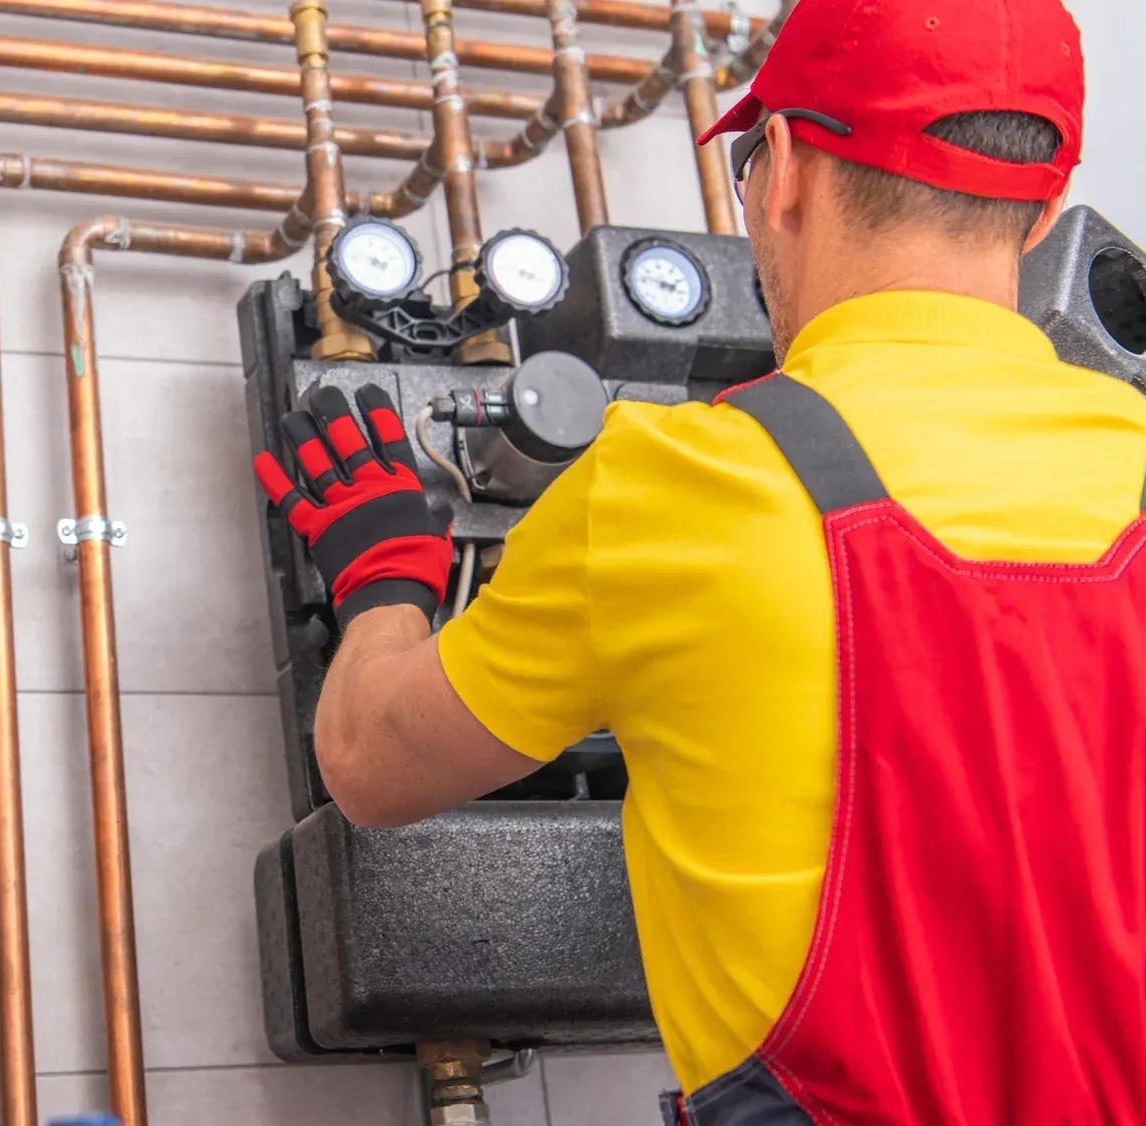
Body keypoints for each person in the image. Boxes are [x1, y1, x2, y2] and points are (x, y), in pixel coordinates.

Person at [252, 0, 1146, 1120]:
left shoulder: (679, 486)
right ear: (1042, 209)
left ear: (779, 170)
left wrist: (384, 572)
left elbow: (371, 766)